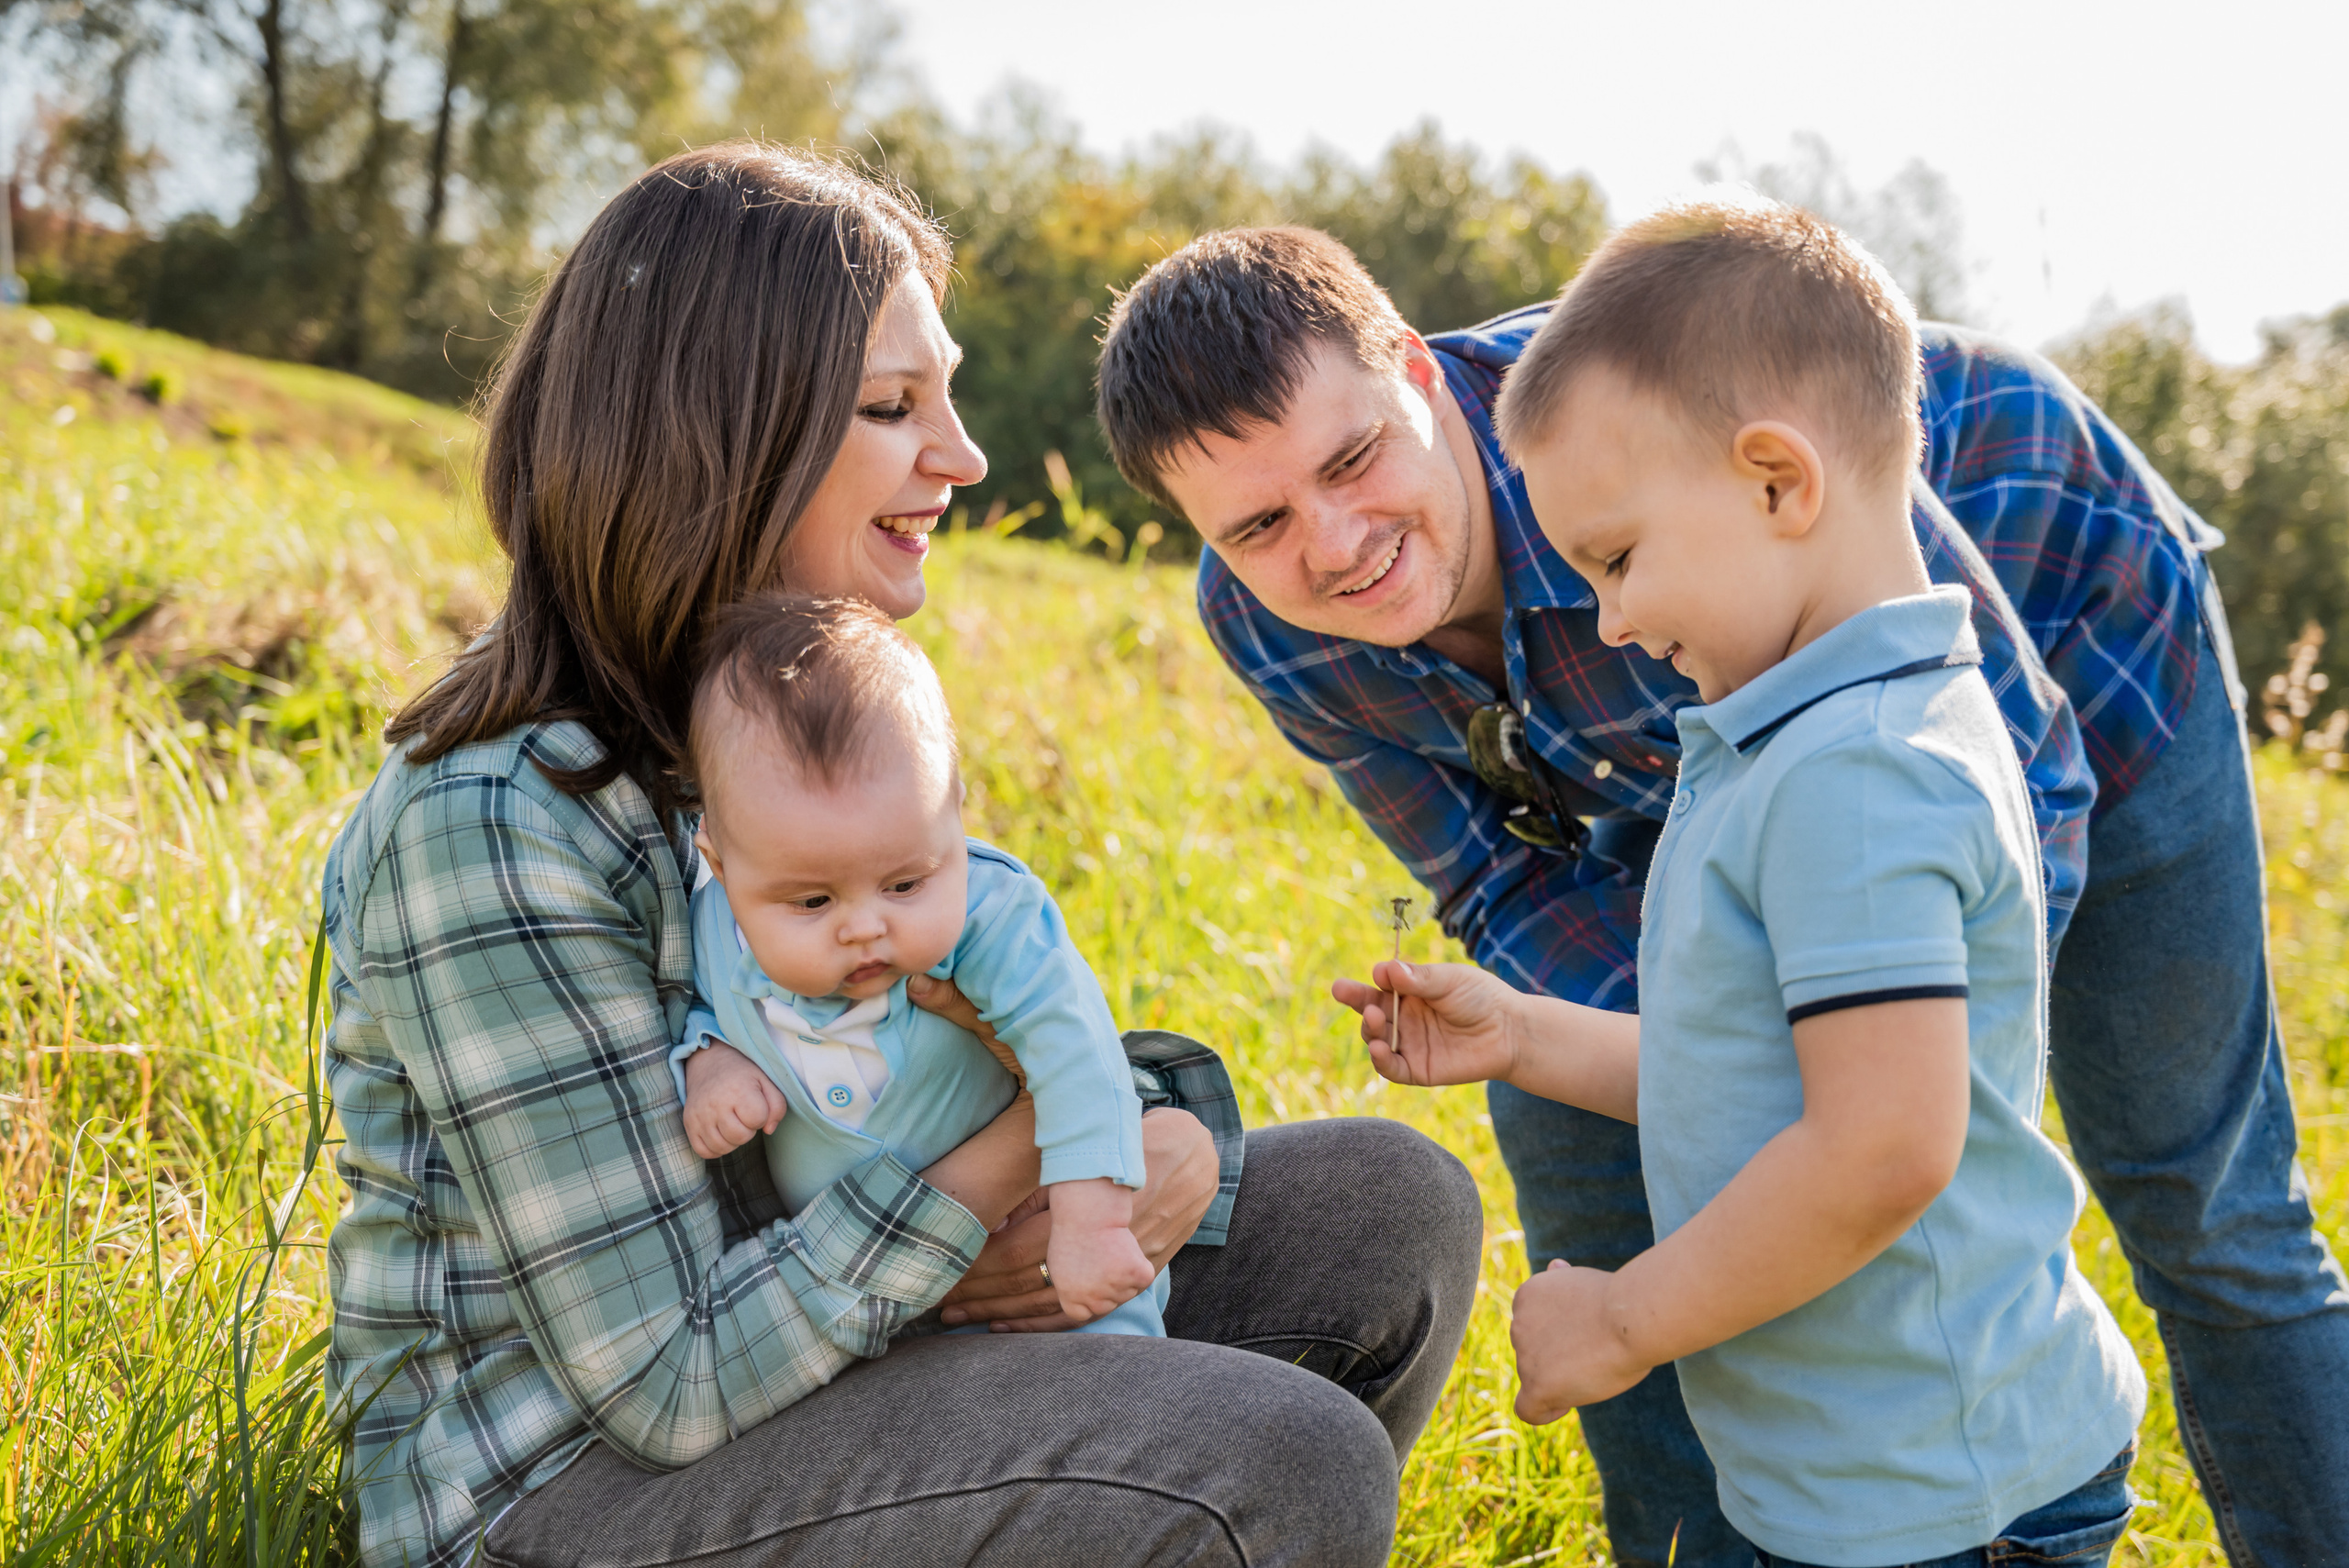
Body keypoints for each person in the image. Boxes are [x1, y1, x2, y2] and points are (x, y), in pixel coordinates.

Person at [1095, 218, 2349, 1565]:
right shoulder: (1263, 622)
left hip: (2065, 624)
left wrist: (1862, 1079)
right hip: (1722, 787)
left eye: (1354, 458)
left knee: (2203, 1205)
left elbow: (2016, 800)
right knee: (1572, 1124)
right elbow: (1498, 875)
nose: (1336, 542)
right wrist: (1610, 1069)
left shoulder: (1645, 448)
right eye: (1263, 523)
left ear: (1413, 366)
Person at [319, 142, 1482, 1568]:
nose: (965, 456)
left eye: (944, 392)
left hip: (832, 1341)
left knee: (1385, 1209)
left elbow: (947, 1039)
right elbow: (665, 1377)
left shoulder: (798, 724)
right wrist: (1012, 1164)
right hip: (563, 1491)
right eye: (890, 406)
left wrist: (1155, 1136)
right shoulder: (500, 821)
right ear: (717, 435)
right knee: (1270, 1458)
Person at [1334, 197, 2145, 1566]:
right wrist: (1525, 1032)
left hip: (1944, 1502)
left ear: (1778, 481)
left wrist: (1623, 1319)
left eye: (1617, 557)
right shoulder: (1809, 735)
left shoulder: (1860, 775)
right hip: (1870, 1484)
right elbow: (1765, 1075)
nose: (1609, 620)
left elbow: (1879, 1148)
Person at [675, 593, 1163, 1335]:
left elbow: (1076, 1047)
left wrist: (1091, 1219)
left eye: (905, 884)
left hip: (1041, 1250)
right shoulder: (714, 929)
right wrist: (708, 1057)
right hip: (871, 1305)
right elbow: (703, 1003)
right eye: (812, 902)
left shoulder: (990, 909)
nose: (867, 927)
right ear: (719, 863)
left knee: (1114, 1376)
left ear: (956, 814)